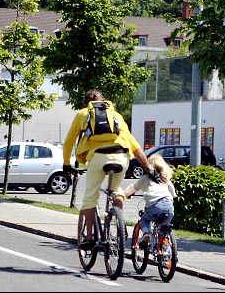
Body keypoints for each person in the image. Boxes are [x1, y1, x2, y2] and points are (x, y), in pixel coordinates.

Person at [63, 88, 162, 250]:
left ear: (86, 103)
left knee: (90, 196)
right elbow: (135, 145)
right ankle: (119, 224)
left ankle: (89, 238)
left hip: (98, 157)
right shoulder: (116, 116)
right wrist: (149, 169)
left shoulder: (83, 114)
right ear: (104, 102)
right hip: (121, 156)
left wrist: (66, 163)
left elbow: (69, 142)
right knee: (117, 191)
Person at [123, 154, 176, 247]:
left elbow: (133, 187)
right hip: (169, 206)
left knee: (145, 219)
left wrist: (125, 194)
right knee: (163, 227)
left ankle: (146, 233)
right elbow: (171, 188)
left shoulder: (145, 178)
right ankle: (165, 249)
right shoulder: (164, 178)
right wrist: (173, 196)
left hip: (154, 205)